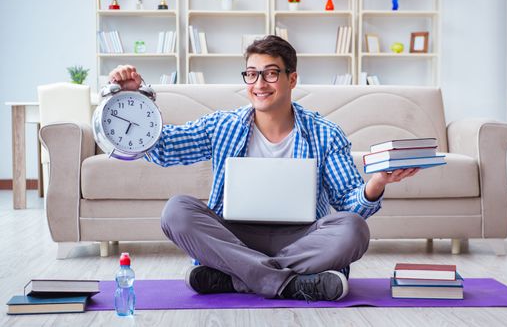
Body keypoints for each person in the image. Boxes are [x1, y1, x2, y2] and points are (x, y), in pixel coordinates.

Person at [108, 35, 418, 302]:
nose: (259, 84)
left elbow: (349, 203)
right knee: (176, 211)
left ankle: (234, 278)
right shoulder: (222, 125)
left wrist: (376, 183)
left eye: (270, 74)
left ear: (291, 79)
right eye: (252, 74)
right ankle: (290, 283)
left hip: (301, 240)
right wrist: (134, 97)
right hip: (234, 236)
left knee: (353, 229)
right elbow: (163, 149)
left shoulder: (325, 133)